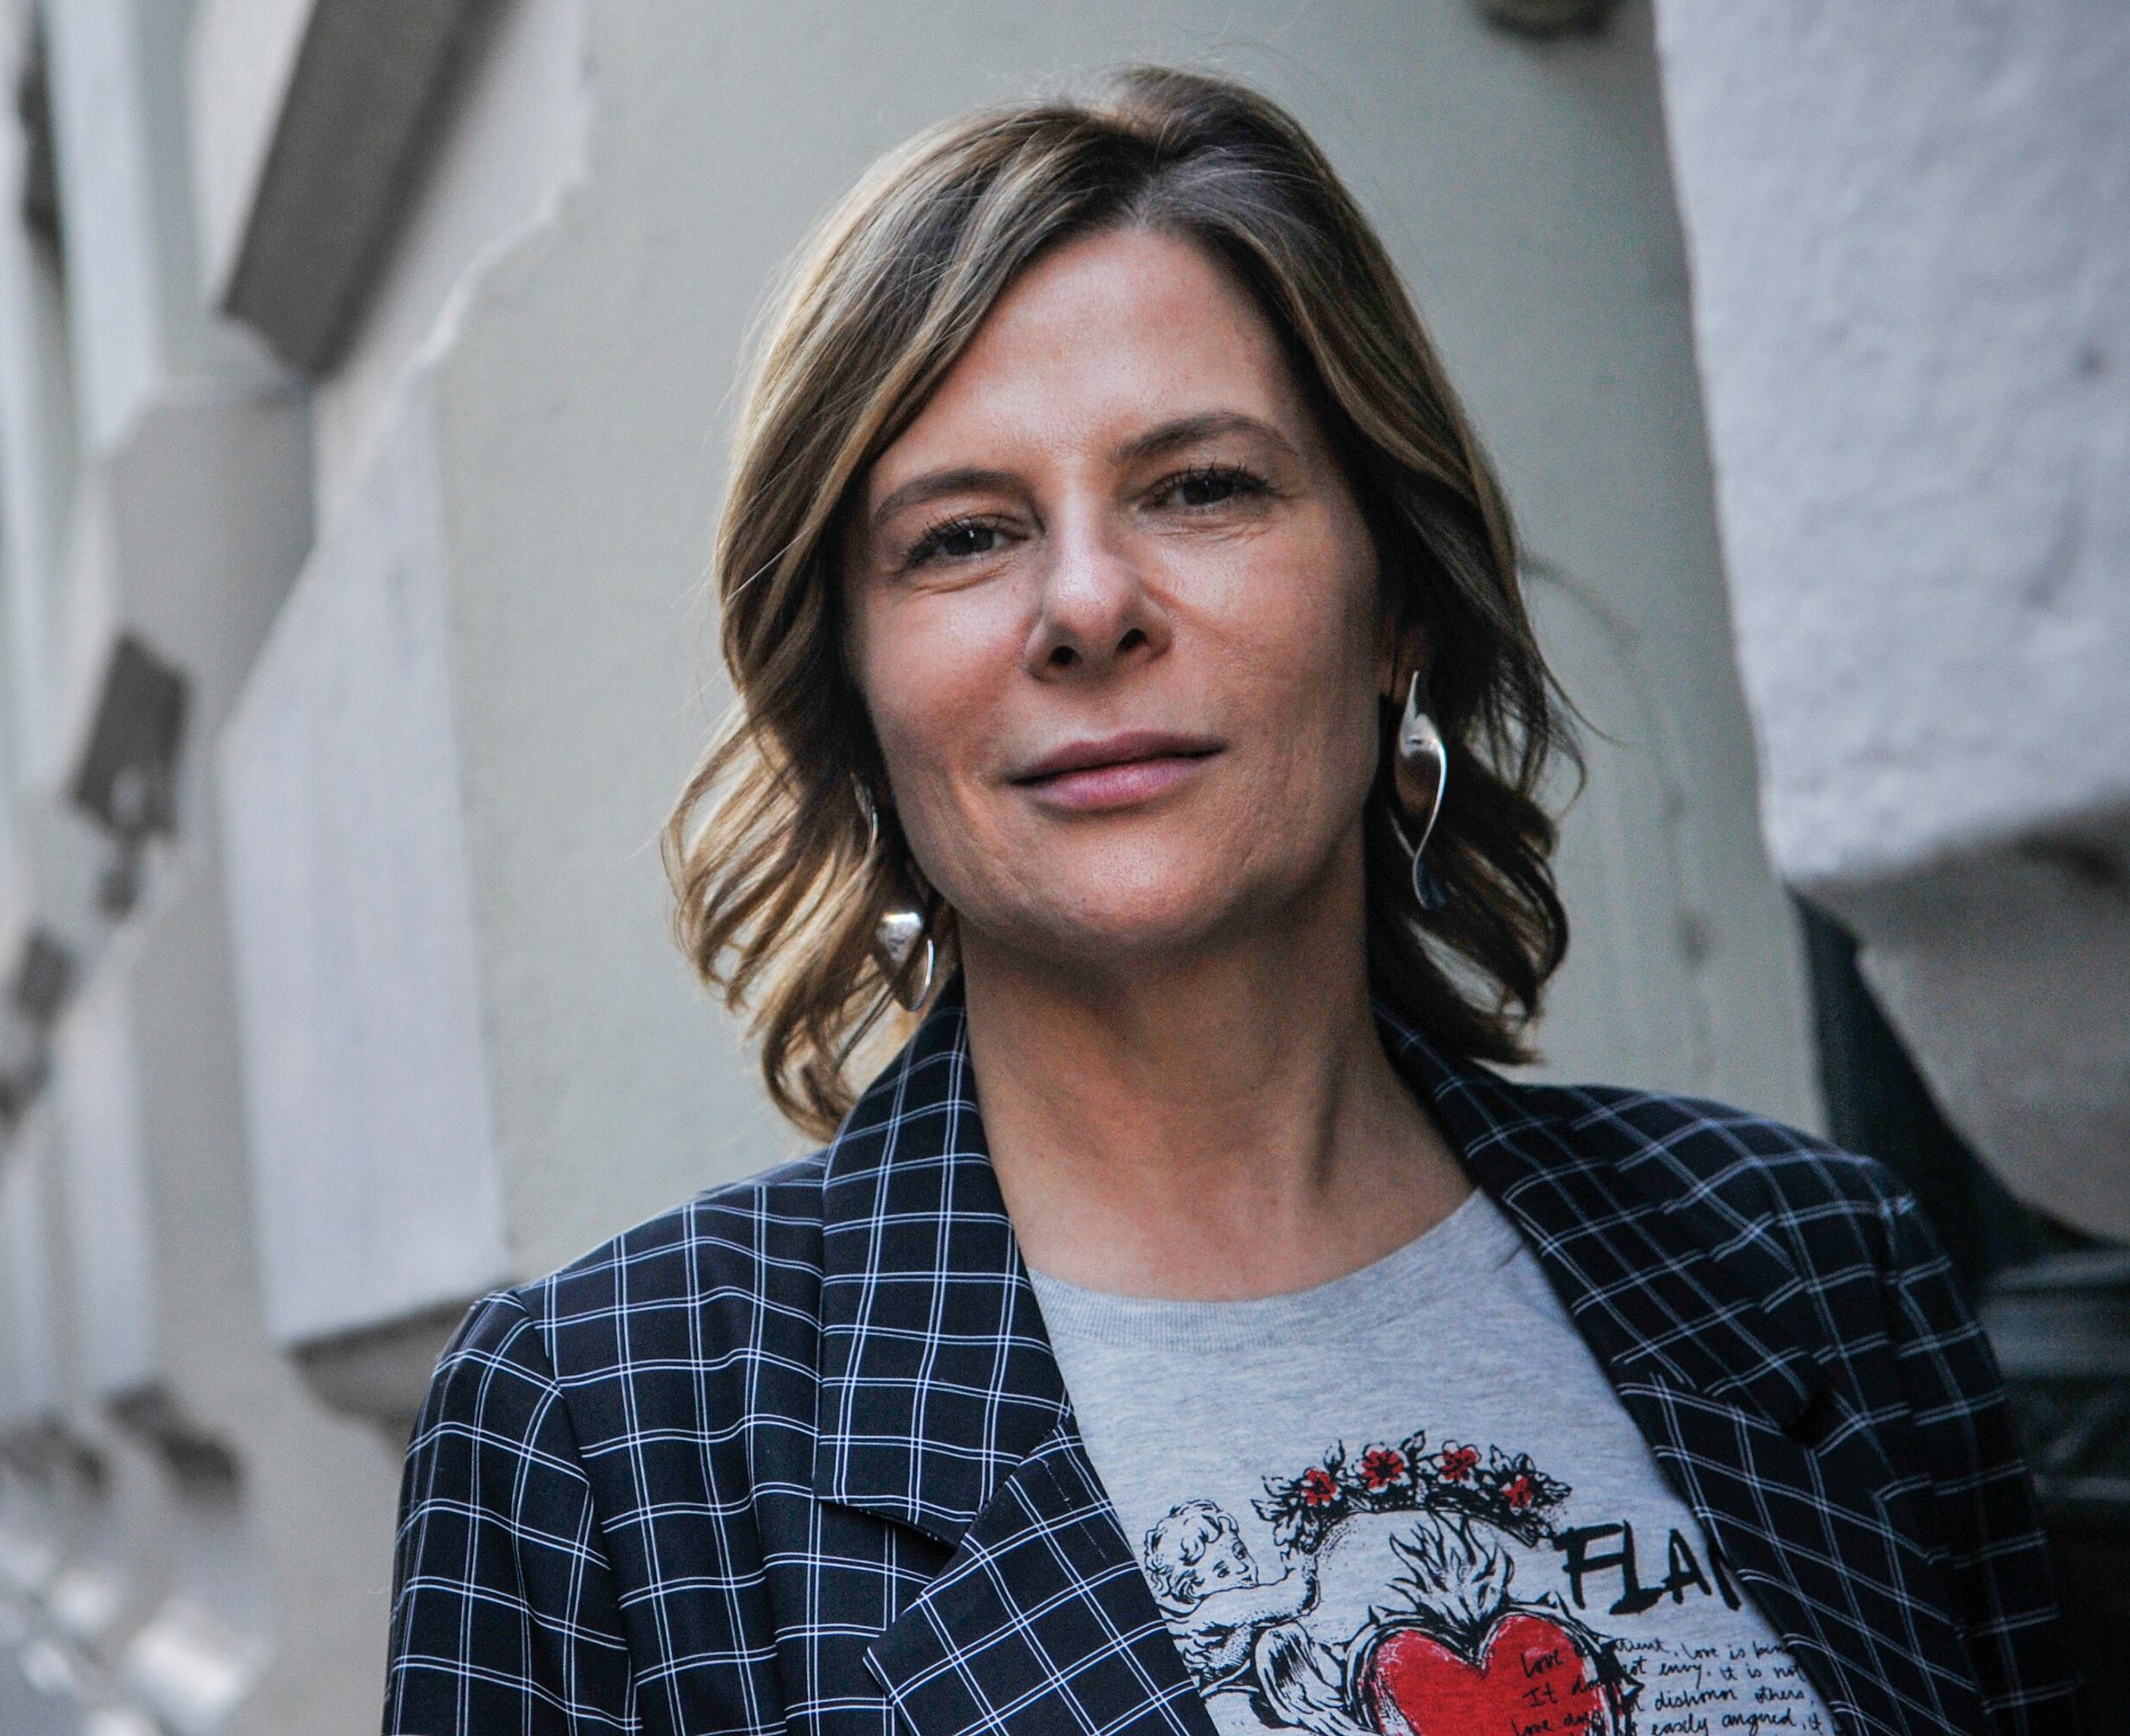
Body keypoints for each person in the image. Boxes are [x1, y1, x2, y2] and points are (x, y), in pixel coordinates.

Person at [382, 69, 2077, 1736]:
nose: (1088, 605)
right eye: (963, 536)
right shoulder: (609, 1432)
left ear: (1396, 605)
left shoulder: (1808, 1269)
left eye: (1201, 487)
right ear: (856, 690)